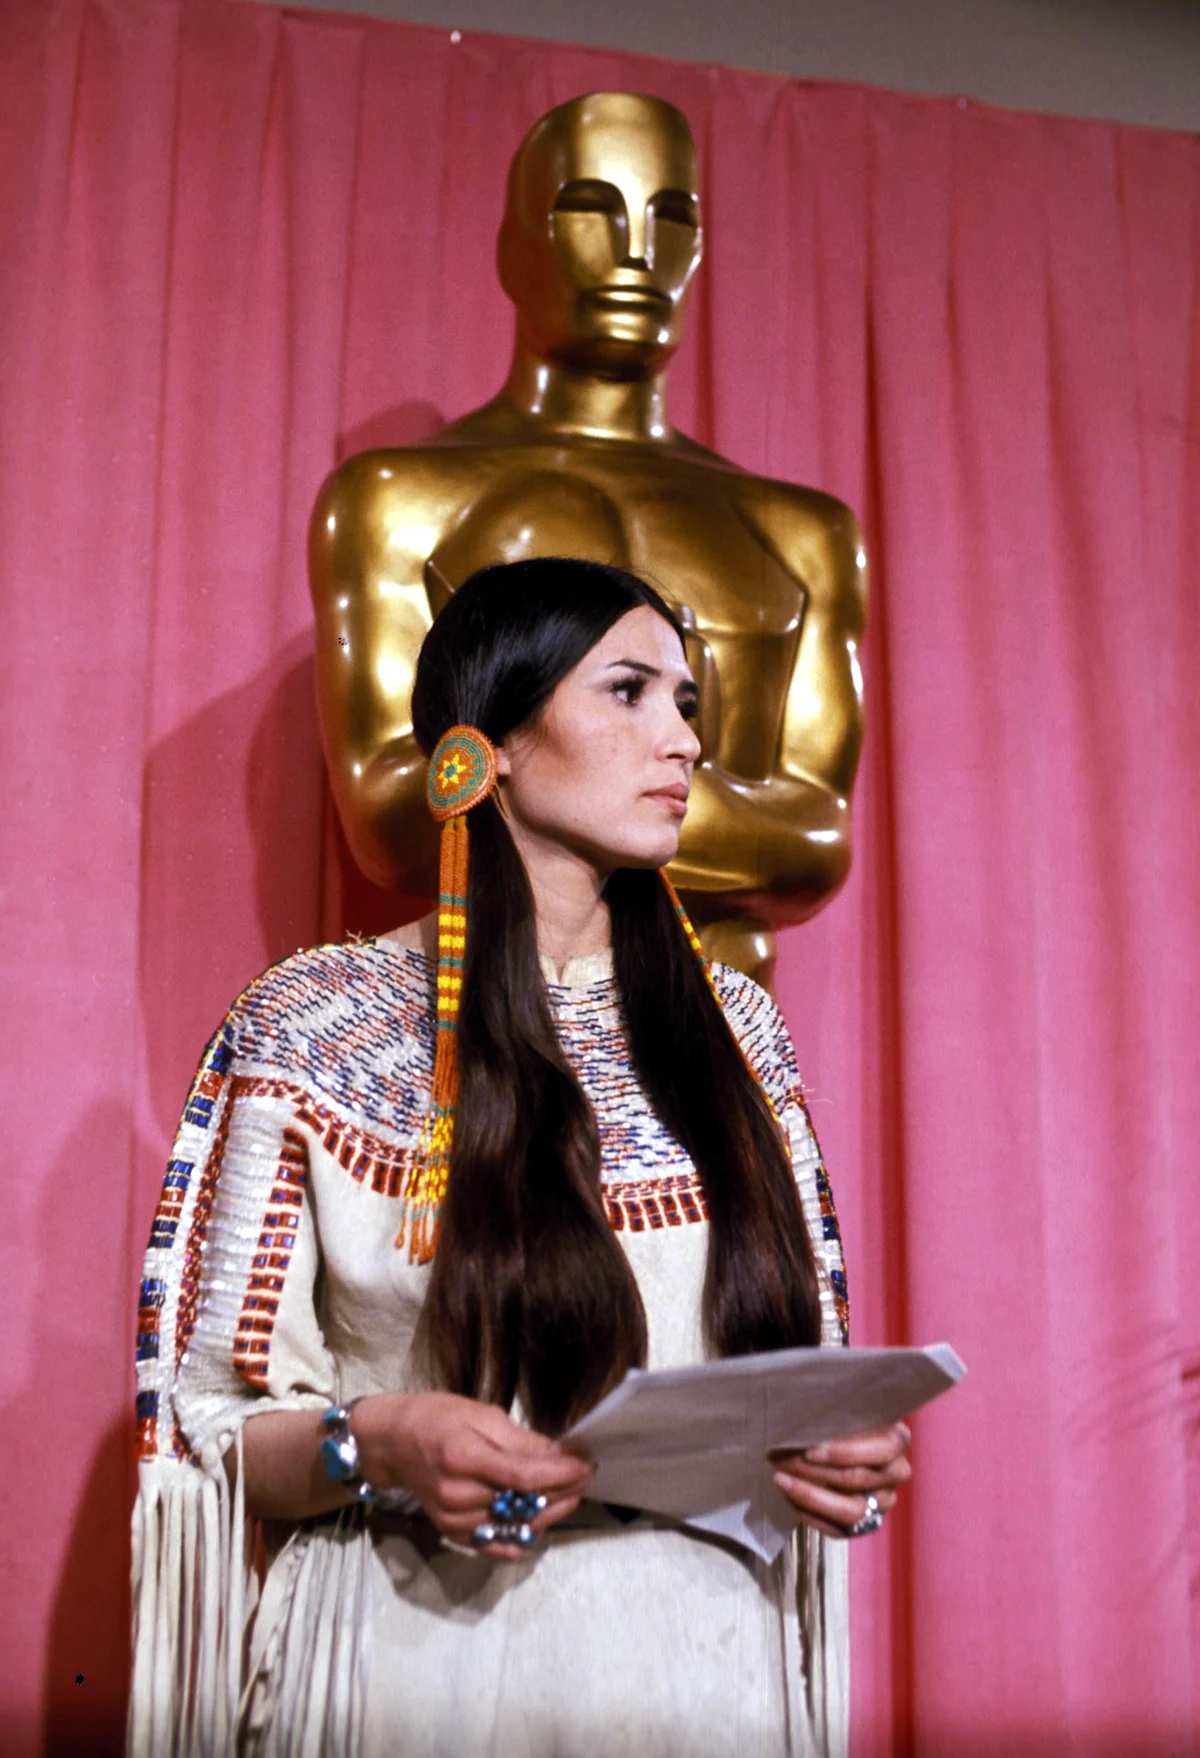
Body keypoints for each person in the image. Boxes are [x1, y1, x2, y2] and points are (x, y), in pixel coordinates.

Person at [128, 559, 910, 1758]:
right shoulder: (313, 1024)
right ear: (485, 746)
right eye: (629, 692)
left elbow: (805, 1365)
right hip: (414, 1655)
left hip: (705, 1673)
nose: (684, 741)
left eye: (686, 703)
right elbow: (212, 1424)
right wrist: (378, 1440)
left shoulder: (737, 1032)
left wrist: (842, 1449)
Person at [310, 91, 868, 987]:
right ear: (513, 245)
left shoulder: (800, 531)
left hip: (718, 1030)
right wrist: (675, 805)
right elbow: (388, 815)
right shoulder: (399, 499)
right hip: (494, 1020)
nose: (638, 252)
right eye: (589, 209)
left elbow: (815, 840)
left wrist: (537, 777)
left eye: (672, 218)